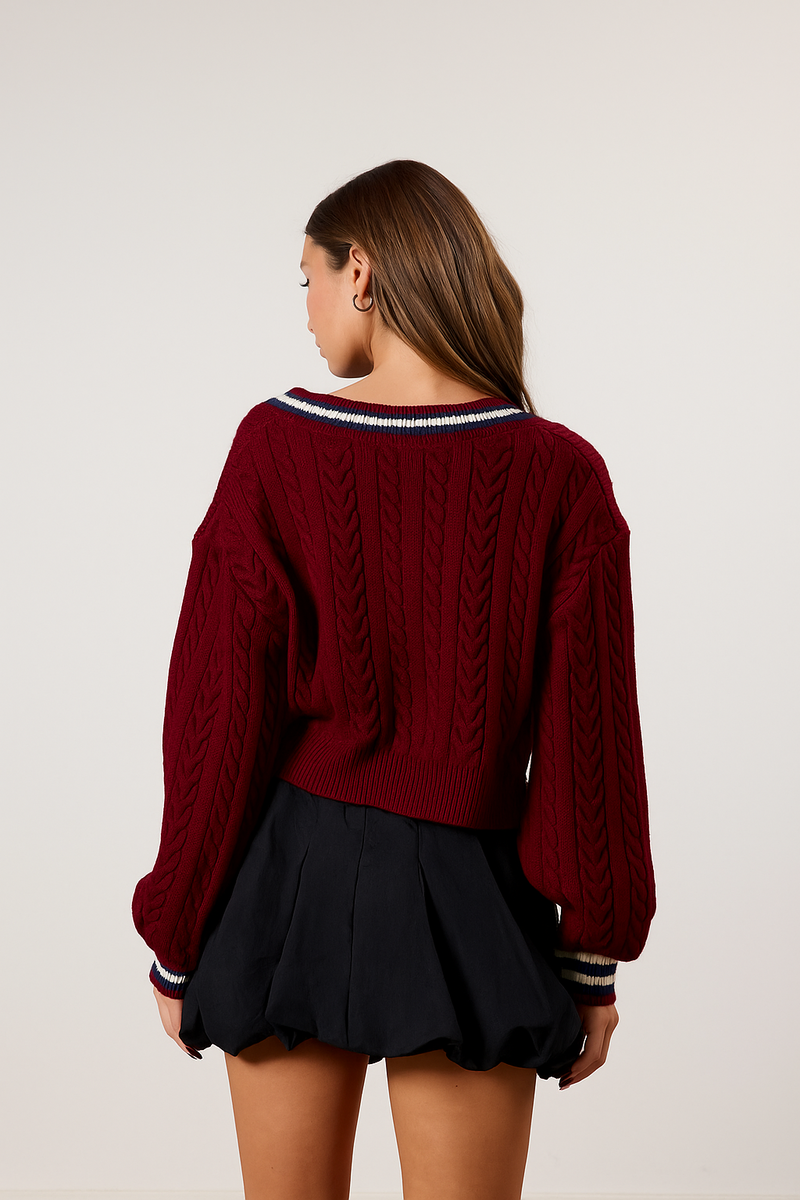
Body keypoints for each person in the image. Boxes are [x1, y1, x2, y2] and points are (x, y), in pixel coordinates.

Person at [132, 159, 657, 1200]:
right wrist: (590, 954)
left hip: (287, 884)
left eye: (310, 279)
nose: (307, 310)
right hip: (472, 895)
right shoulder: (560, 473)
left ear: (361, 272)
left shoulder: (274, 447)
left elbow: (217, 718)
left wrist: (179, 933)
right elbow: (587, 739)